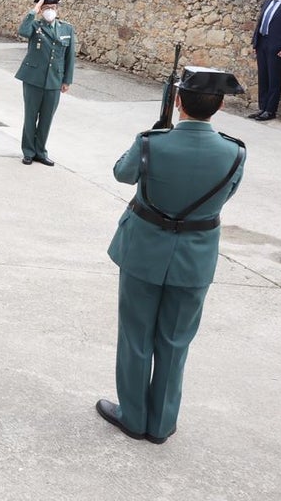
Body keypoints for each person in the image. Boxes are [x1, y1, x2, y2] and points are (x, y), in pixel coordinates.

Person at [96, 66, 246, 444]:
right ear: (221, 105)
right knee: (175, 341)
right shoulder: (234, 152)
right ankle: (161, 422)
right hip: (194, 258)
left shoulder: (151, 143)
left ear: (178, 102)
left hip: (144, 249)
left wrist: (154, 134)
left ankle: (133, 415)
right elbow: (224, 197)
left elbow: (121, 174)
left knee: (136, 336)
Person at [15, 0, 76, 166]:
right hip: (33, 78)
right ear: (41, 10)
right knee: (30, 116)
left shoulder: (66, 29)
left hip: (54, 80)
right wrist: (33, 11)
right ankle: (28, 151)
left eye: (53, 8)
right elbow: (23, 31)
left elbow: (70, 57)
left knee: (47, 118)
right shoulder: (34, 25)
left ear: (57, 9)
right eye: (46, 8)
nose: (50, 11)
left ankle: (40, 152)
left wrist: (67, 80)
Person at [249, 0, 281, 121]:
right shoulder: (268, 2)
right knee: (263, 77)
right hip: (262, 44)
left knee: (274, 79)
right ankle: (262, 108)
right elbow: (260, 23)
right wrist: (255, 42)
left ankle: (270, 111)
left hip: (278, 48)